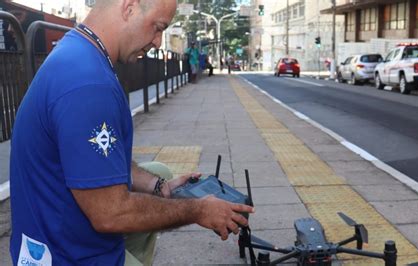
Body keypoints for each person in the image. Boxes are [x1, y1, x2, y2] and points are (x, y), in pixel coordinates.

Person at [9, 0, 254, 265]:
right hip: (65, 255)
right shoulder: (88, 84)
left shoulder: (79, 51)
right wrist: (198, 210)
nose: (158, 42)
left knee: (159, 171)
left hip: (47, 234)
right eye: (158, 27)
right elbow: (110, 213)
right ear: (129, 7)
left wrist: (160, 187)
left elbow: (97, 164)